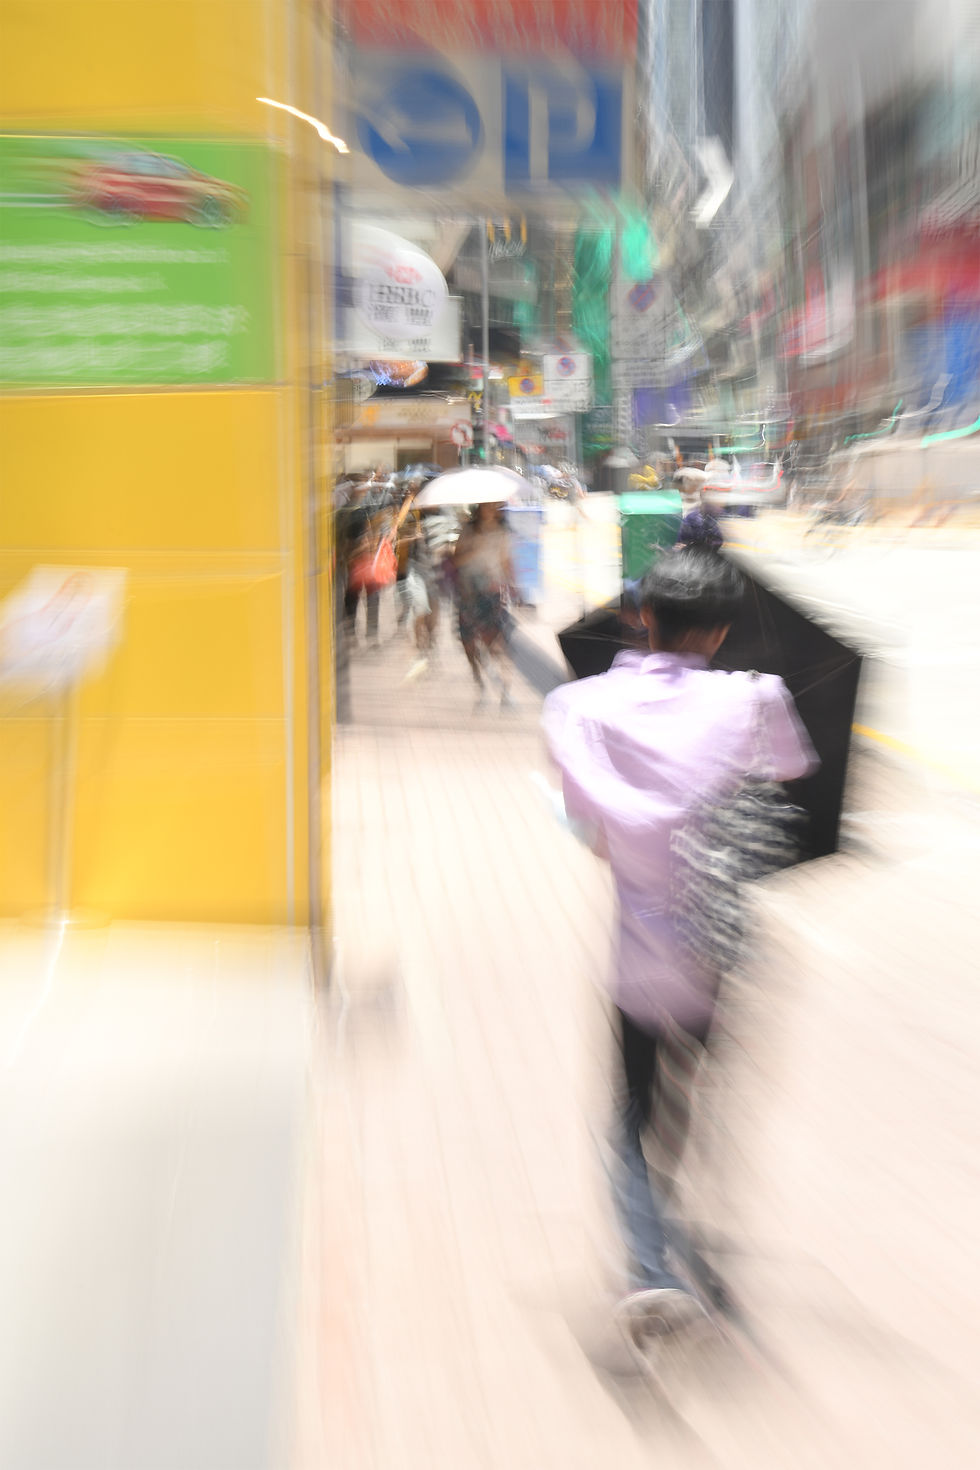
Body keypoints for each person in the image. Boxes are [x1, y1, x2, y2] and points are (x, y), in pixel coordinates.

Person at [542, 550, 816, 1359]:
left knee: (627, 1111)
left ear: (641, 617)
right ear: (723, 629)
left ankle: (647, 1267)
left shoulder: (577, 708)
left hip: (637, 952)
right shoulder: (756, 697)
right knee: (687, 1093)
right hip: (718, 948)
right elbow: (790, 770)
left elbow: (589, 833)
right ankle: (673, 1212)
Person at [453, 502, 516, 709]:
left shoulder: (503, 533)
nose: (492, 510)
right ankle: (479, 683)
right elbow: (456, 562)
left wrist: (513, 588)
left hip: (492, 594)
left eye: (496, 507)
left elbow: (506, 563)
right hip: (469, 595)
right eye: (489, 506)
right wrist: (474, 549)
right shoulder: (467, 531)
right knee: (469, 644)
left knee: (497, 646)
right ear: (479, 509)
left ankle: (505, 691)